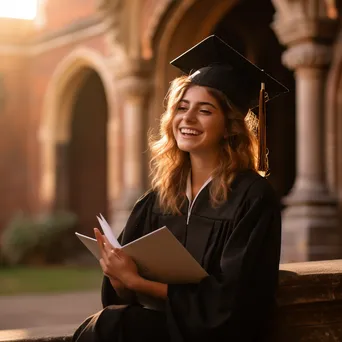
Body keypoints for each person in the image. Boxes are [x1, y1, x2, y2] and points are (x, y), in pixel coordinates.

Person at [72, 35, 288, 342]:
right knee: (109, 323)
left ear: (230, 127)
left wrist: (138, 282)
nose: (187, 118)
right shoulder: (159, 199)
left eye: (204, 110)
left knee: (111, 327)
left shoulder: (252, 198)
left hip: (216, 338)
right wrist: (117, 275)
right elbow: (121, 296)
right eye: (182, 107)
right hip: (164, 329)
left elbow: (233, 304)